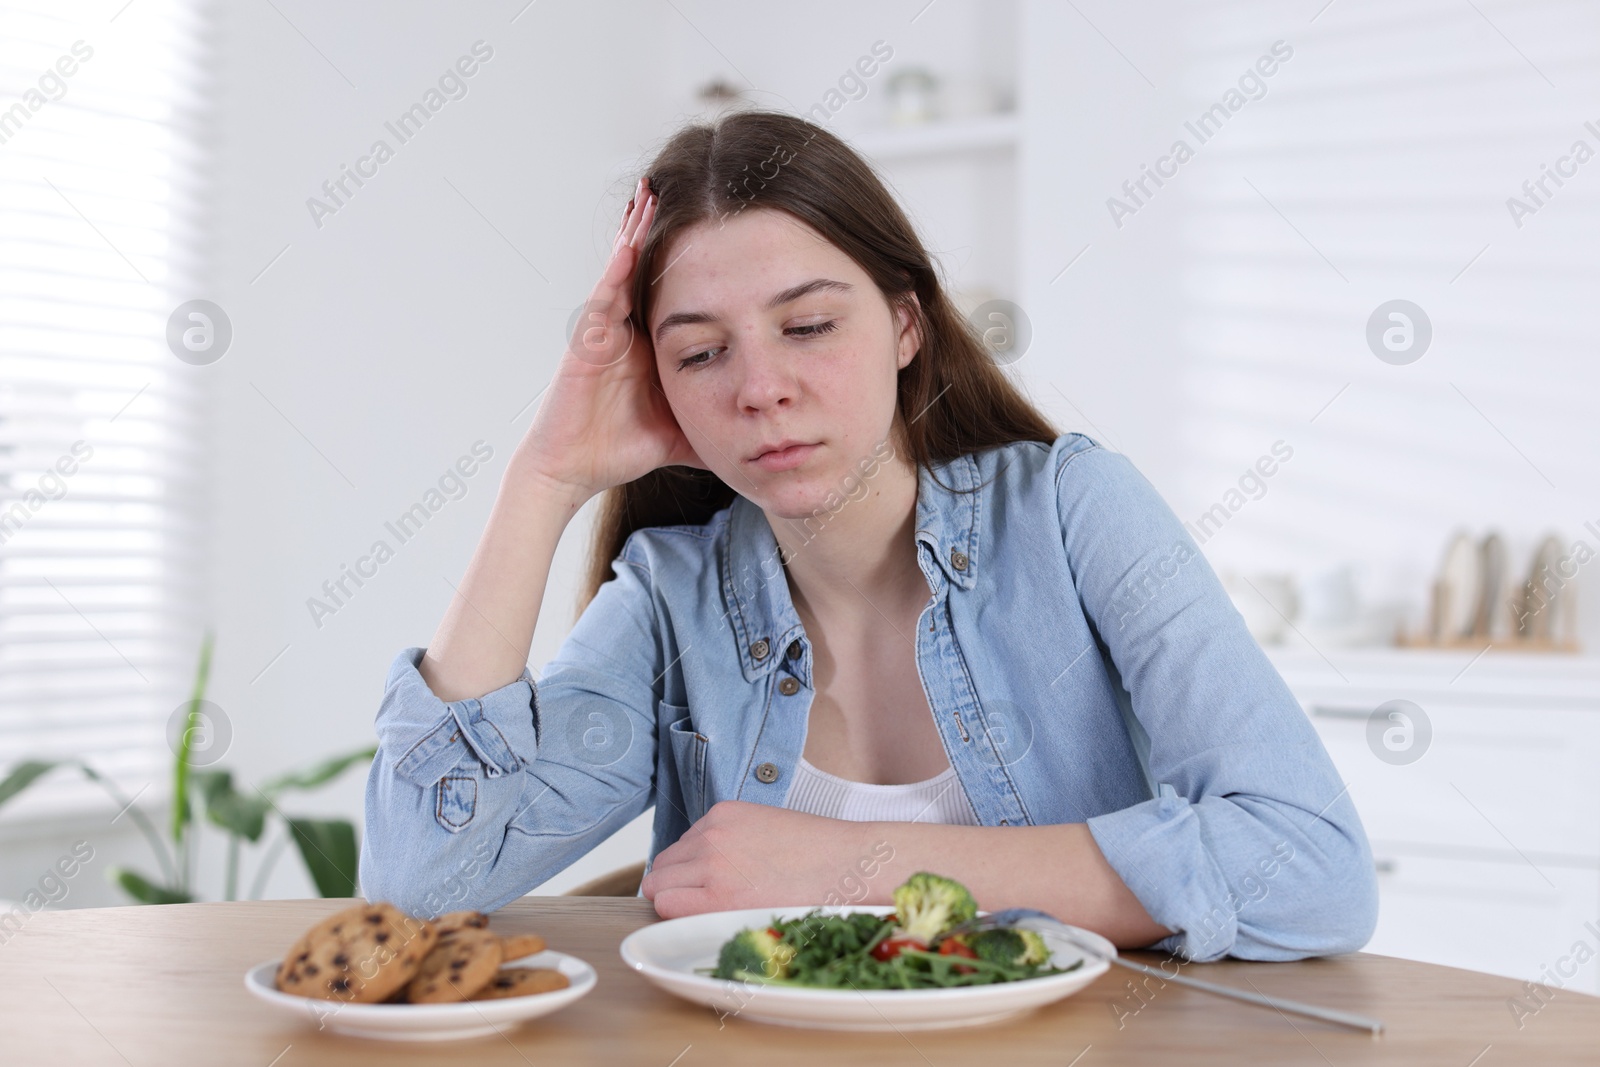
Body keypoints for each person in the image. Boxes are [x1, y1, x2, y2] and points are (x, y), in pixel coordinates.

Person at [360, 110, 1377, 962]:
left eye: (807, 326)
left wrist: (846, 869)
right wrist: (543, 480)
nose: (761, 388)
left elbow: (1309, 868)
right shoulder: (670, 597)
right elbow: (417, 883)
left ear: (904, 325)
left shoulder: (1073, 511)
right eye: (701, 351)